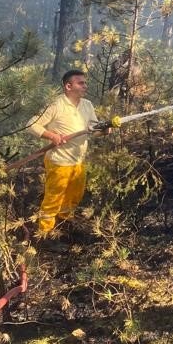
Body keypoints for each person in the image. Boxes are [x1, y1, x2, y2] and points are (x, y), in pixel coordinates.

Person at [27, 70, 99, 237]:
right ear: (68, 86)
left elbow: (94, 129)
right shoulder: (56, 105)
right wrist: (52, 136)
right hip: (59, 162)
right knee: (53, 199)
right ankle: (44, 234)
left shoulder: (87, 105)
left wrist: (104, 130)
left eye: (85, 83)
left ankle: (63, 224)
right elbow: (32, 124)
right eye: (80, 83)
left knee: (75, 195)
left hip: (78, 161)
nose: (85, 86)